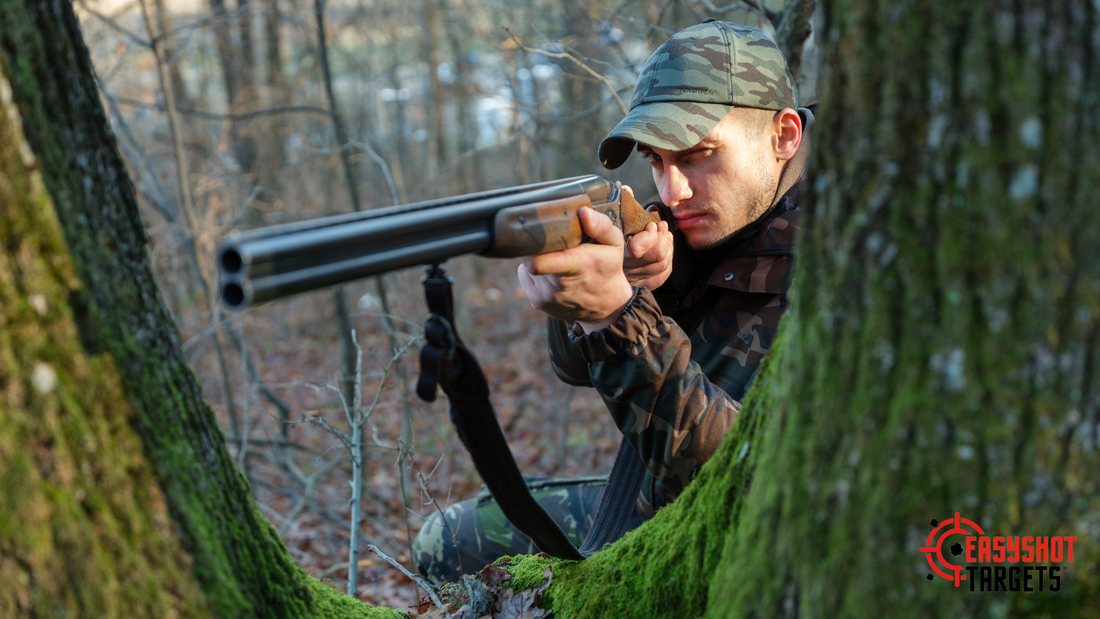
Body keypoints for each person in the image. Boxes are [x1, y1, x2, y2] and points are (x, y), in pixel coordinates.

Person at [414, 19, 812, 584]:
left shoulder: (845, 261)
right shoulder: (702, 215)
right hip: (652, 504)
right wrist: (613, 291)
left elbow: (758, 485)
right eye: (655, 160)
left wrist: (620, 318)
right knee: (449, 539)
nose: (672, 191)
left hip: (753, 550)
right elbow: (572, 368)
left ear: (784, 136)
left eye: (699, 154)